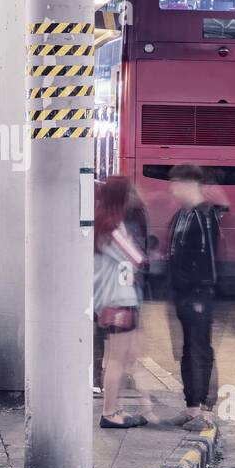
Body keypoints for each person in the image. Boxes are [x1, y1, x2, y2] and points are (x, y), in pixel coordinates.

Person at [166, 164, 227, 428]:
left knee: (200, 349)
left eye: (175, 183)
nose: (171, 189)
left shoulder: (204, 216)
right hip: (183, 293)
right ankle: (192, 407)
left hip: (198, 294)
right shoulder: (182, 215)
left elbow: (209, 260)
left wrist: (202, 290)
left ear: (190, 184)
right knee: (188, 350)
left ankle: (205, 411)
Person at [94, 176, 155, 429]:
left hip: (116, 298)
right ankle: (109, 413)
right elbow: (136, 258)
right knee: (117, 359)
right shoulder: (112, 226)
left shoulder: (105, 223)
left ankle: (115, 408)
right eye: (130, 192)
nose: (135, 196)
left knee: (119, 357)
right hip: (117, 299)